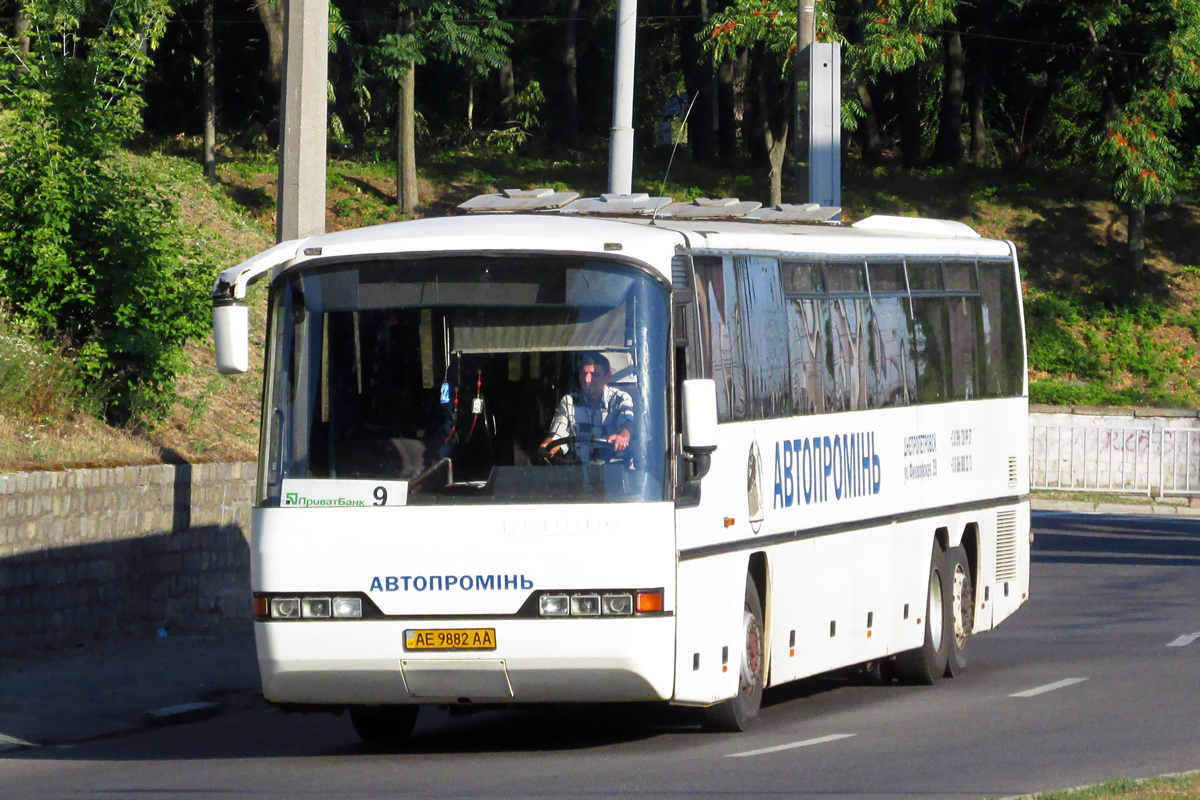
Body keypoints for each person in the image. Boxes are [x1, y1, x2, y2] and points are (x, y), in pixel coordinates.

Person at [541, 352, 634, 462]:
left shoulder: (620, 399)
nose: (587, 380)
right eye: (584, 374)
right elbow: (557, 434)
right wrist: (547, 445)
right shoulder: (568, 402)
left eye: (594, 375)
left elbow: (628, 422)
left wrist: (623, 436)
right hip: (581, 473)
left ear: (607, 377)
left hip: (615, 472)